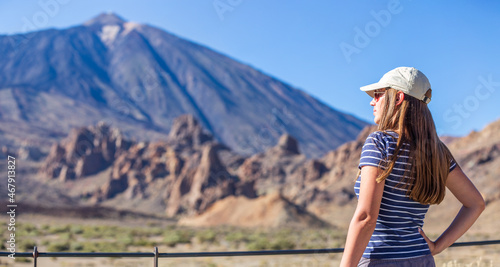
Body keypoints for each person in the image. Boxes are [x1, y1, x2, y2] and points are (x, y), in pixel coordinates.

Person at [339, 67, 485, 267]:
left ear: (398, 98)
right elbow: (476, 203)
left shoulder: (379, 142)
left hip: (380, 260)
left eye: (379, 94)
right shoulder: (437, 151)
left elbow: (366, 218)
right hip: (422, 259)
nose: (372, 101)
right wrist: (436, 247)